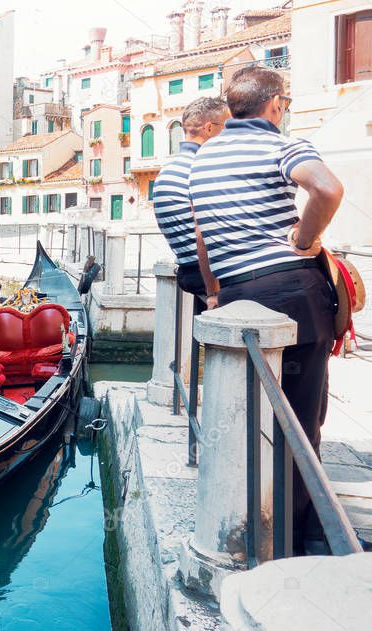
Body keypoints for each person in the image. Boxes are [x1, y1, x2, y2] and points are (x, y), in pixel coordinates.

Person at [189, 66, 344, 552]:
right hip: (293, 294)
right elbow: (328, 189)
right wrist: (305, 238)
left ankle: (257, 525)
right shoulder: (281, 144)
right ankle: (304, 537)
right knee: (302, 418)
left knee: (254, 418)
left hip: (237, 295)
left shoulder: (203, 159)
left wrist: (216, 291)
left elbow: (201, 239)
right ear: (275, 103)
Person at [153, 97, 231, 308]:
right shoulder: (203, 167)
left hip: (189, 271)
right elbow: (204, 231)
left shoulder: (168, 169)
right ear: (209, 128)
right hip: (210, 275)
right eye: (228, 126)